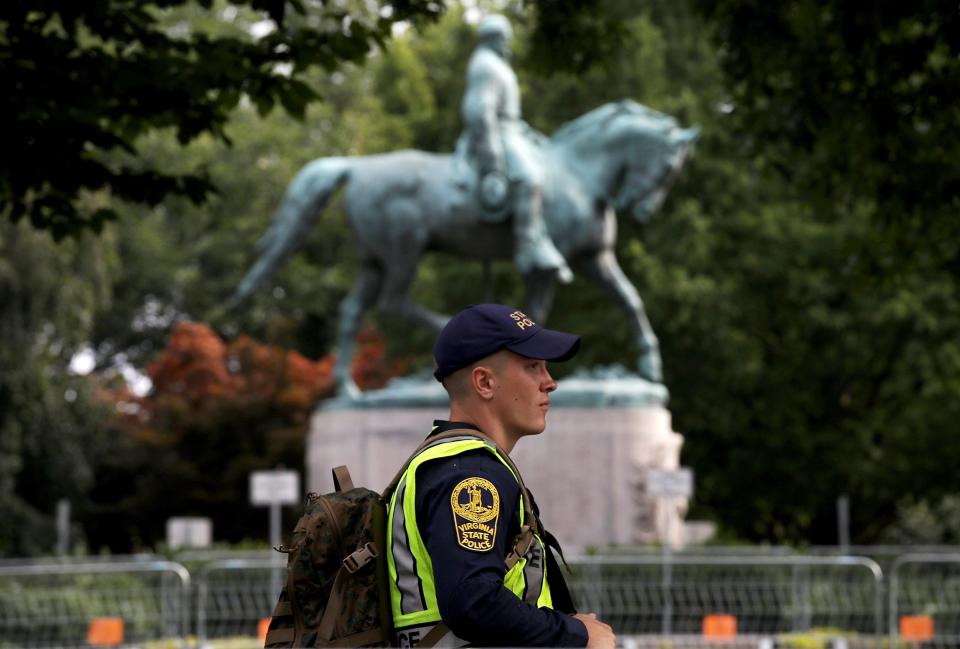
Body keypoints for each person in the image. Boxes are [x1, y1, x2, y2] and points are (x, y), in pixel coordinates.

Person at [387, 303, 616, 647]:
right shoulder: (471, 473)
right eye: (532, 366)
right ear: (484, 382)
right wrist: (577, 635)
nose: (549, 383)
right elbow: (473, 601)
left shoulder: (446, 462)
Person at [459, 15, 574, 284]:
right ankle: (527, 249)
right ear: (492, 39)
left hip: (514, 130)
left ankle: (542, 239)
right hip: (498, 133)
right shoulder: (485, 65)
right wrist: (493, 161)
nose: (508, 45)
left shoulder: (497, 65)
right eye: (504, 39)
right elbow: (480, 111)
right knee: (529, 177)